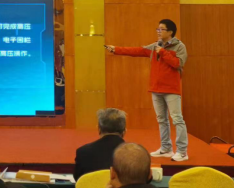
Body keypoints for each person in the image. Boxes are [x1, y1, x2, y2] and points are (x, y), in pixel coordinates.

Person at [105, 19, 189, 161]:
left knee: (177, 119)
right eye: (158, 29)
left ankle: (182, 151)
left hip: (171, 89)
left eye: (162, 29)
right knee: (161, 120)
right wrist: (116, 49)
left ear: (170, 32)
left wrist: (163, 52)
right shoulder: (155, 46)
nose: (158, 32)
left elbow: (178, 64)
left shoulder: (179, 46)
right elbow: (138, 50)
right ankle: (166, 148)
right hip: (156, 88)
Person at [74, 108, 126, 181]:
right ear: (124, 131)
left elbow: (79, 181)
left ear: (99, 129)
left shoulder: (83, 152)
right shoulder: (137, 154)